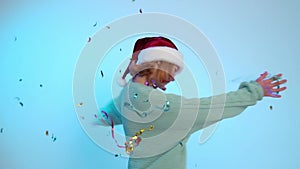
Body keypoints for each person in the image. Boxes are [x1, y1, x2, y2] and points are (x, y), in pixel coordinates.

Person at [98, 36, 287, 169]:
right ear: (156, 64)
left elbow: (102, 117)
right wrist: (257, 90)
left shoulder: (126, 95)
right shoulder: (164, 107)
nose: (173, 77)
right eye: (172, 69)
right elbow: (214, 107)